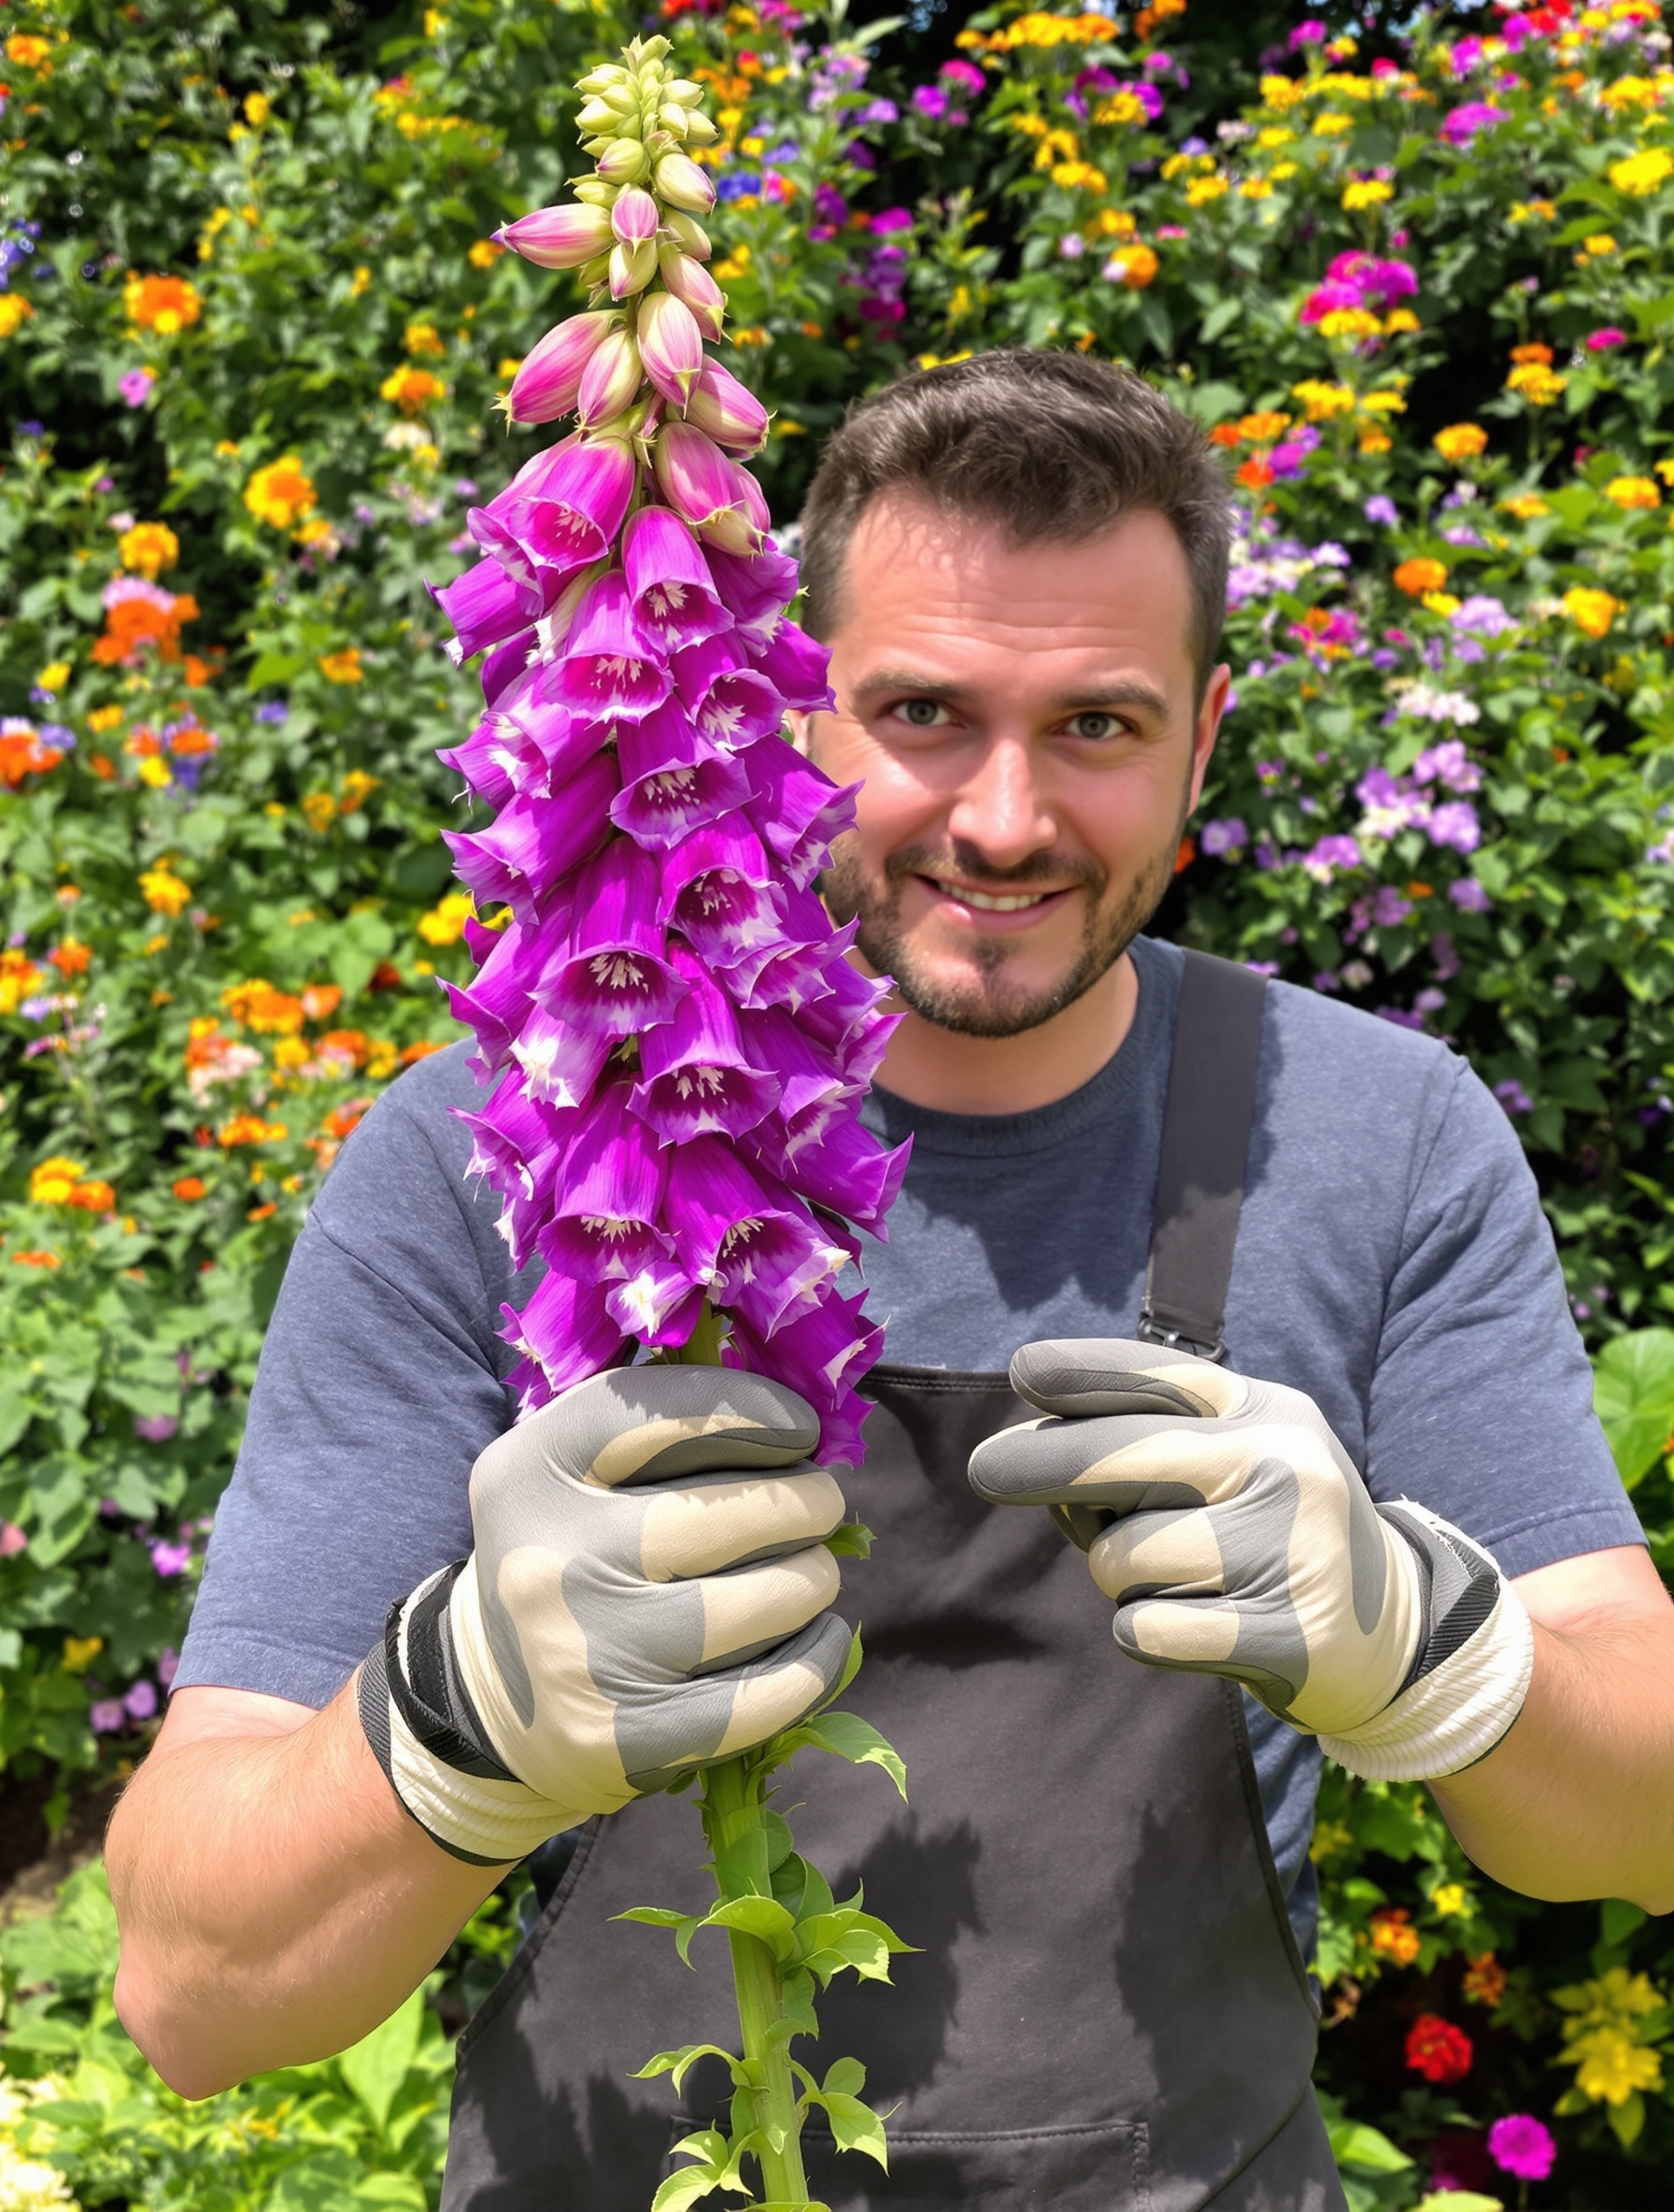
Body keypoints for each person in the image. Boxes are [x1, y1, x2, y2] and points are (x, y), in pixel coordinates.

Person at [107, 353, 1674, 2212]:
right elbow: (193, 1997)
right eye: (922, 709)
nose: (1002, 820)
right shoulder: (494, 1150)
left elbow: (1642, 1816)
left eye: (1096, 722)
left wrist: (1439, 1648)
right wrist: (452, 1723)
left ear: (1205, 734)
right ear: (784, 714)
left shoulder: (1373, 1133)